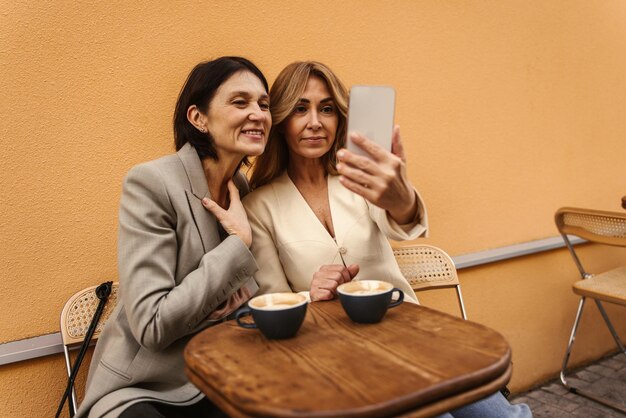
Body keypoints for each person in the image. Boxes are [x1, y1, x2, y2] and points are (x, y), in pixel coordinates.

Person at [243, 61, 531, 418]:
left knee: (505, 417)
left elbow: (403, 223)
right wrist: (311, 293)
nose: (315, 122)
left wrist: (402, 198)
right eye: (301, 108)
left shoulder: (361, 179)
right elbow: (273, 301)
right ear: (282, 120)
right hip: (340, 354)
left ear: (340, 119)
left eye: (327, 108)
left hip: (411, 331)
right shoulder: (258, 206)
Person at [76, 56, 271, 418]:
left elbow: (246, 295)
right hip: (143, 390)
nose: (258, 114)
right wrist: (237, 245)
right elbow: (152, 325)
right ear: (198, 118)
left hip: (220, 379)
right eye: (240, 102)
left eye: (263, 103)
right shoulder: (152, 182)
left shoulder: (240, 188)